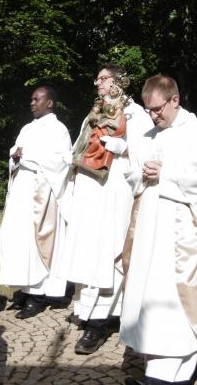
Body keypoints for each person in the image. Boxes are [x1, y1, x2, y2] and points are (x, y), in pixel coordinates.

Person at [120, 74, 197, 385]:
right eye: (148, 110)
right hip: (150, 230)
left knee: (175, 307)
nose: (152, 115)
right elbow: (130, 172)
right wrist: (141, 171)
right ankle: (161, 359)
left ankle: (173, 368)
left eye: (156, 109)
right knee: (150, 302)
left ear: (174, 100)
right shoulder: (147, 136)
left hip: (182, 234)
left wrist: (166, 174)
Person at [55, 63, 154, 355]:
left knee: (110, 252)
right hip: (89, 193)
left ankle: (101, 322)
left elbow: (149, 152)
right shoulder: (94, 113)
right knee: (90, 251)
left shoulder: (136, 114)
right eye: (97, 78)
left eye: (103, 78)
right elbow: (80, 147)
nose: (97, 83)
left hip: (115, 192)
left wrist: (125, 148)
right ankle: (92, 312)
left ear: (118, 82)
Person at [0, 85, 72, 319]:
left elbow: (62, 162)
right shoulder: (27, 129)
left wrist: (29, 158)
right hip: (21, 191)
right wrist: (16, 157)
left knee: (36, 242)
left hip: (41, 193)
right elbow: (15, 154)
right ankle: (26, 288)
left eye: (36, 99)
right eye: (31, 99)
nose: (32, 103)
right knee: (18, 240)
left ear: (49, 103)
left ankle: (38, 294)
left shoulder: (58, 130)